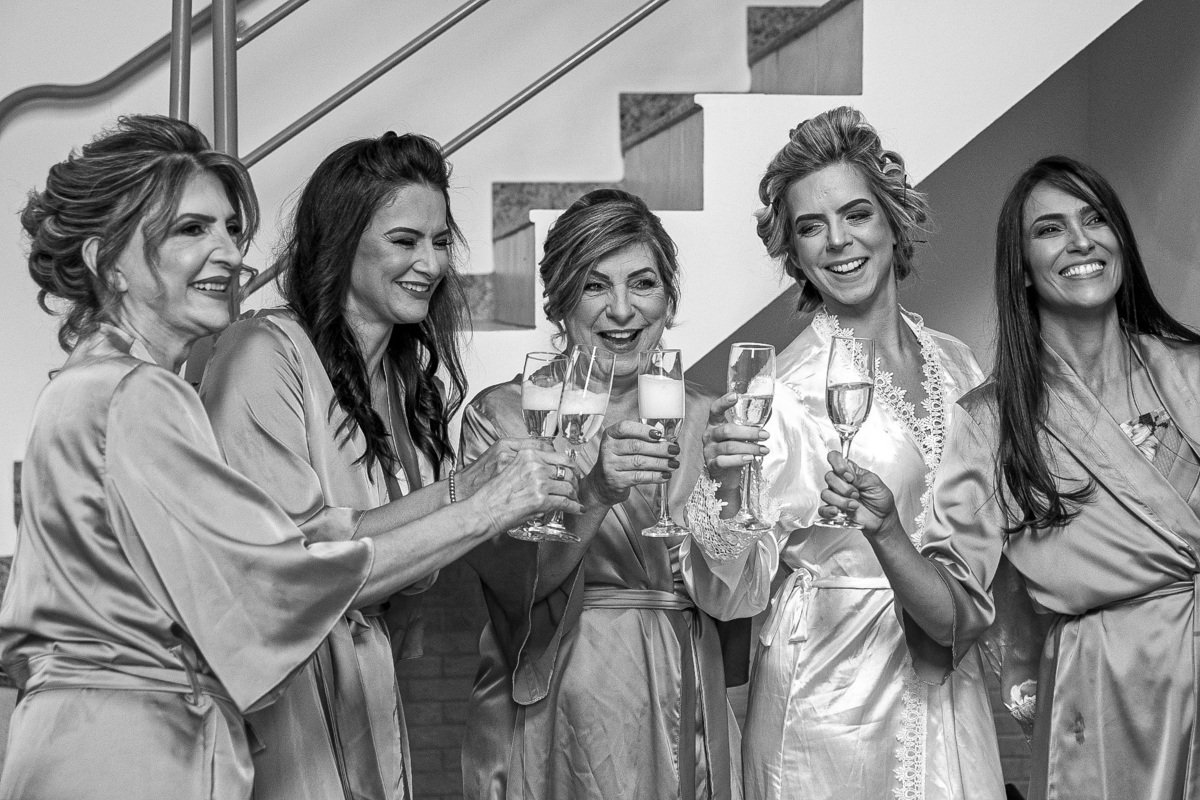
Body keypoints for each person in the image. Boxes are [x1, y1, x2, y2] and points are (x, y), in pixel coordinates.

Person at [0, 115, 578, 800]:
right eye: (191, 229)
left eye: (230, 230)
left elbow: (302, 543)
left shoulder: (108, 383)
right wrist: (485, 507)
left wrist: (469, 488)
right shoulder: (136, 393)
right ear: (107, 262)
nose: (228, 252)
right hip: (126, 748)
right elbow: (279, 584)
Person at [198, 132, 580, 800]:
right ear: (341, 242)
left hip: (371, 695)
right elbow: (293, 575)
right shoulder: (263, 352)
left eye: (440, 241)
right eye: (405, 241)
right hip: (279, 704)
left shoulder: (404, 386)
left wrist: (473, 482)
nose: (430, 264)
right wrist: (481, 506)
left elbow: (375, 547)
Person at [821, 155, 1200, 800]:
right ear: (1021, 266)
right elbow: (953, 616)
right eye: (1050, 229)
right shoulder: (992, 423)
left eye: (1095, 219)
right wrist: (886, 532)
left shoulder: (1191, 371)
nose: (1080, 241)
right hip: (1105, 709)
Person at [683, 106, 1005, 799]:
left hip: (946, 677)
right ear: (794, 253)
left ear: (892, 219)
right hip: (828, 697)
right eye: (810, 227)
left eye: (856, 214)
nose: (837, 241)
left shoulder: (958, 364)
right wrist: (724, 485)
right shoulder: (783, 389)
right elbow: (728, 593)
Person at [460, 188, 741, 800]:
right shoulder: (504, 416)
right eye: (594, 286)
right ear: (560, 301)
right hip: (556, 695)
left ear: (668, 298)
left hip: (684, 686)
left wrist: (736, 492)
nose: (621, 309)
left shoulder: (710, 418)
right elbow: (513, 584)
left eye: (643, 283)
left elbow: (737, 597)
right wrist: (594, 493)